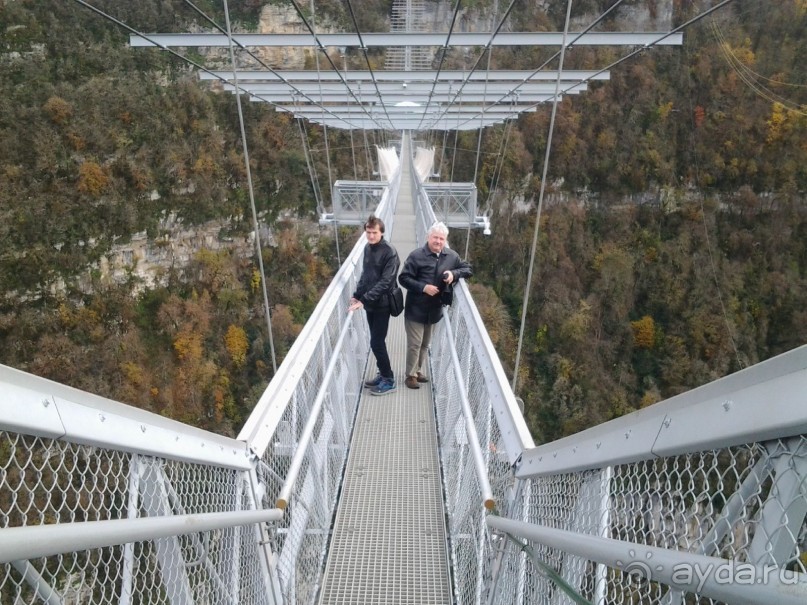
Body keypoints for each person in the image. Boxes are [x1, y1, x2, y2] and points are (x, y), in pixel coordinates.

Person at [398, 221, 472, 390]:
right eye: (435, 237)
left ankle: (417, 370)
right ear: (428, 237)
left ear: (445, 240)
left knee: (425, 344)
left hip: (435, 309)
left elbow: (468, 269)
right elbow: (403, 278)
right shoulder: (416, 255)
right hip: (416, 308)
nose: (438, 241)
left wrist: (454, 274)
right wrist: (423, 287)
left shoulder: (451, 256)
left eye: (441, 239)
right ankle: (410, 376)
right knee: (415, 344)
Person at [349, 215, 400, 396]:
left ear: (382, 232)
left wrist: (364, 300)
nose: (371, 236)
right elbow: (366, 275)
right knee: (376, 340)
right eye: (368, 232)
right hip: (370, 302)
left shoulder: (390, 252)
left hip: (382, 303)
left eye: (374, 232)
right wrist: (357, 295)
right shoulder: (368, 248)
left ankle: (389, 380)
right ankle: (383, 374)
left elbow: (386, 282)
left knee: (376, 342)